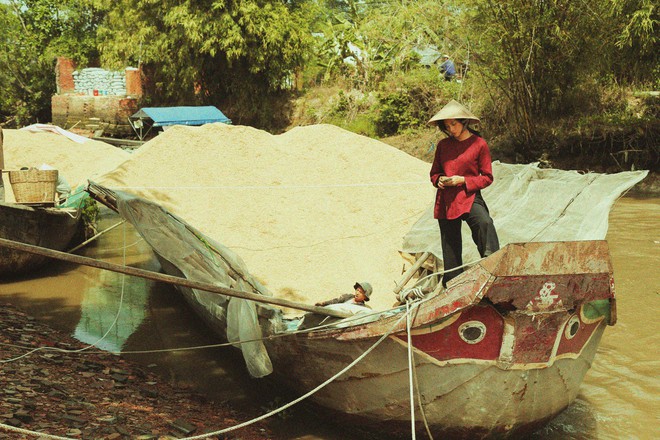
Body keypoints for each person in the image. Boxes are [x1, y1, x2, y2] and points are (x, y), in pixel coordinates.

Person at [427, 100, 499, 287]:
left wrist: (464, 180)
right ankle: (453, 282)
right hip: (447, 199)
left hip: (469, 195)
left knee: (484, 222)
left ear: (463, 122)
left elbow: (487, 177)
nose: (451, 129)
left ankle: (493, 266)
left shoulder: (479, 144)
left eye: (454, 124)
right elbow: (434, 173)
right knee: (450, 242)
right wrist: (440, 180)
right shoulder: (443, 146)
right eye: (447, 125)